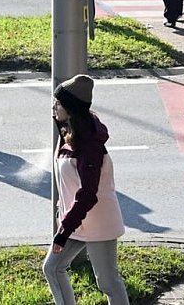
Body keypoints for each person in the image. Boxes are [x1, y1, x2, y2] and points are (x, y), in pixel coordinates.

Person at [43, 75, 131, 305]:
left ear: (71, 109)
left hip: (98, 222)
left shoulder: (89, 146)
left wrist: (63, 230)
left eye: (58, 103)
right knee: (52, 268)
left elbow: (88, 194)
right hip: (76, 221)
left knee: (108, 283)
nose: (53, 106)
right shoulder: (69, 134)